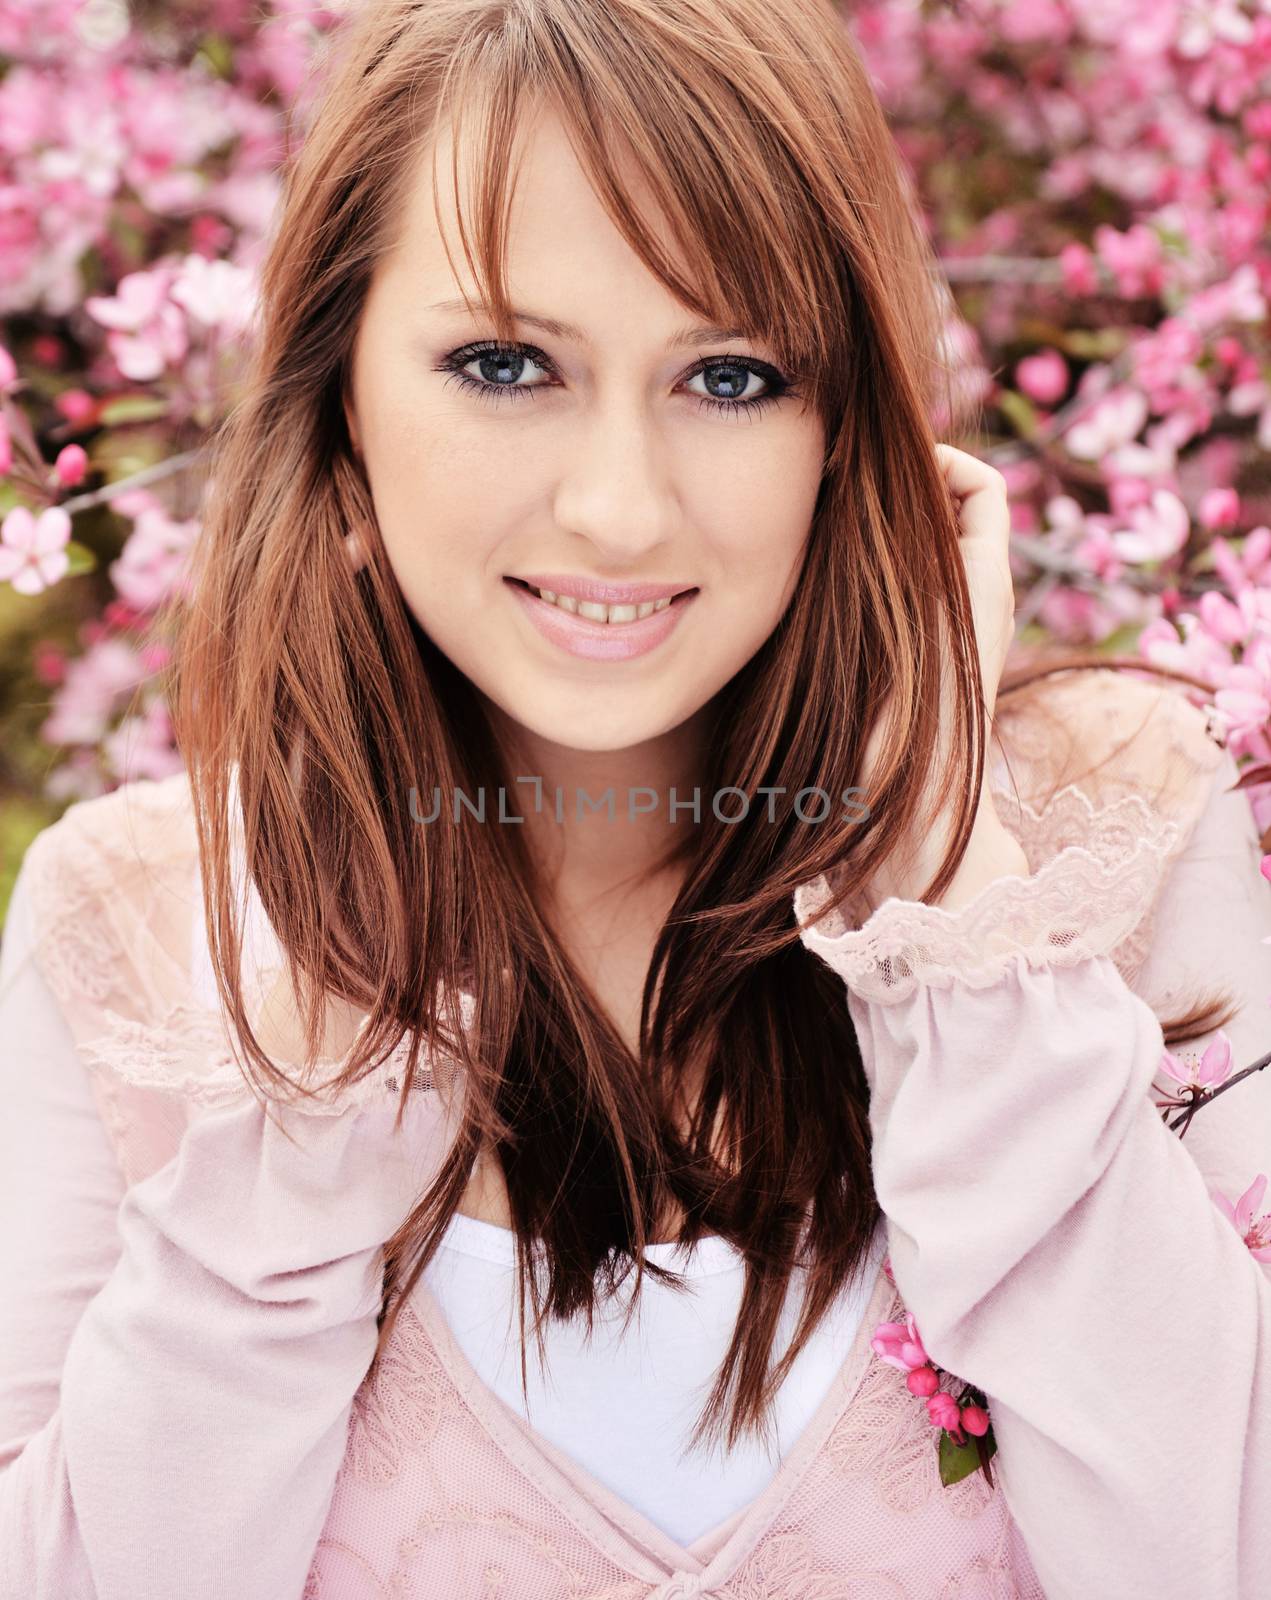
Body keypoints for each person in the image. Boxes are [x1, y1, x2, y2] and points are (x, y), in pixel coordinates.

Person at [2, 0, 1270, 1595]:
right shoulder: (132, 931)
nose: (617, 505)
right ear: (336, 393)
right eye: (505, 363)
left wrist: (953, 898)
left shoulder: (1113, 830)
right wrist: (305, 1120)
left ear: (846, 424)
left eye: (731, 377)